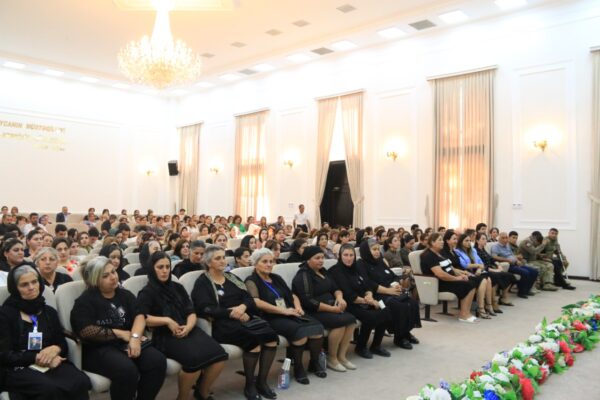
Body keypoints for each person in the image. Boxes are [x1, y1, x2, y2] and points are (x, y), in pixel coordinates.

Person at [70, 256, 167, 400]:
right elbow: (85, 331)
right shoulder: (85, 301)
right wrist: (120, 333)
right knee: (127, 370)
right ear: (95, 280)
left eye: (113, 272)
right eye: (105, 276)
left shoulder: (124, 294)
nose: (113, 277)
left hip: (126, 342)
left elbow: (140, 316)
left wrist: (135, 338)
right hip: (98, 348)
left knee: (157, 361)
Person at [193, 245, 279, 400]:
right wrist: (231, 313)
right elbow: (204, 308)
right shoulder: (202, 282)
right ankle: (250, 385)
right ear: (208, 263)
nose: (222, 261)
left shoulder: (232, 277)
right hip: (222, 323)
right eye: (217, 258)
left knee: (272, 337)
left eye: (223, 257)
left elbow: (248, 298)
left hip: (244, 316)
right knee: (253, 342)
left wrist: (242, 308)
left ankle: (262, 381)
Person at [138, 252, 227, 400]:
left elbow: (191, 312)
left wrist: (189, 327)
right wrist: (167, 321)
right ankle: (183, 397)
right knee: (194, 362)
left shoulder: (178, 287)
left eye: (167, 267)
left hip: (188, 329)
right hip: (165, 335)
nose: (165, 270)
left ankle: (202, 392)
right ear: (152, 269)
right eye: (160, 267)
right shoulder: (147, 292)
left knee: (220, 355)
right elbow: (142, 318)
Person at [0, 264, 91, 399]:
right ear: (15, 288)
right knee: (49, 389)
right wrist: (38, 358)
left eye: (34, 281)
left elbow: (61, 343)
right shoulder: (5, 315)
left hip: (50, 362)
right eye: (24, 285)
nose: (31, 287)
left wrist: (55, 349)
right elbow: (5, 355)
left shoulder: (49, 311)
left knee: (80, 380)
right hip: (18, 367)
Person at [245, 248, 326, 384]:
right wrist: (283, 311)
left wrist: (298, 307)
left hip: (289, 311)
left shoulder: (276, 278)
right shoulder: (251, 281)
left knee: (317, 328)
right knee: (300, 333)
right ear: (255, 263)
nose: (269, 264)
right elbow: (256, 302)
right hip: (270, 316)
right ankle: (298, 367)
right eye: (264, 261)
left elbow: (292, 295)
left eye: (271, 261)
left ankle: (314, 362)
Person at [292, 246, 357, 372]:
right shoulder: (303, 275)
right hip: (314, 311)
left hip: (331, 307)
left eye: (322, 257)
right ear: (308, 260)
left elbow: (335, 288)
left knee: (351, 320)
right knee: (340, 324)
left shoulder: (323, 271)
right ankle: (332, 358)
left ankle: (342, 356)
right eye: (317, 258)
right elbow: (308, 301)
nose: (321, 260)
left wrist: (340, 298)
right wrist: (332, 309)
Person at [329, 244, 393, 358]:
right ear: (340, 256)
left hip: (365, 300)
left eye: (351, 255)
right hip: (349, 304)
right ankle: (361, 347)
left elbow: (367, 284)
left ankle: (376, 346)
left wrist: (369, 294)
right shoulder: (336, 271)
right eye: (345, 255)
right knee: (370, 316)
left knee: (386, 309)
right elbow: (349, 295)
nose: (349, 258)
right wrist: (369, 301)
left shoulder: (356, 268)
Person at [358, 240, 421, 348]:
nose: (377, 252)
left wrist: (395, 285)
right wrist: (388, 291)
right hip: (376, 295)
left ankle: (406, 331)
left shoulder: (380, 261)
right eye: (374, 249)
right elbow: (368, 283)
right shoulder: (361, 264)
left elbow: (393, 276)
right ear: (366, 251)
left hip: (390, 292)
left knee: (412, 303)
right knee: (397, 306)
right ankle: (399, 336)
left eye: (378, 249)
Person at [419, 233, 477, 322]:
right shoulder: (428, 255)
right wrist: (457, 278)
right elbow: (440, 274)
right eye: (439, 240)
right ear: (432, 242)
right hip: (437, 283)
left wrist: (461, 275)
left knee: (472, 281)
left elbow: (450, 268)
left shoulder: (439, 254)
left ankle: (466, 312)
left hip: (447, 280)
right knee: (468, 285)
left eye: (442, 240)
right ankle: (463, 315)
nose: (442, 242)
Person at [453, 234, 495, 318]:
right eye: (466, 241)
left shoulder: (473, 250)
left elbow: (481, 263)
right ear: (461, 242)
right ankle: (481, 308)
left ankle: (488, 305)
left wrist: (479, 269)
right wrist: (478, 266)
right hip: (466, 272)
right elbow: (465, 265)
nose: (469, 242)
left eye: (469, 240)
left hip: (476, 272)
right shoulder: (457, 251)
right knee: (484, 280)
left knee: (488, 279)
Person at [474, 233, 516, 311]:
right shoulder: (475, 251)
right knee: (496, 277)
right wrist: (494, 270)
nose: (485, 241)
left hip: (491, 268)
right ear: (477, 241)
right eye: (483, 239)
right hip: (484, 270)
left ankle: (504, 298)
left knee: (510, 276)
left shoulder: (483, 250)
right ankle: (493, 302)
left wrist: (498, 264)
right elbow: (481, 265)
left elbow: (492, 259)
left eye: (485, 239)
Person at [490, 232, 539, 299]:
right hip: (508, 265)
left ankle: (527, 290)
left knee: (534, 272)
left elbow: (511, 255)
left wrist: (517, 260)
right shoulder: (495, 247)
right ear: (499, 239)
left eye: (506, 238)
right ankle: (521, 292)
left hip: (515, 263)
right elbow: (494, 257)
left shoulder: (507, 246)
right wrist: (507, 260)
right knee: (525, 272)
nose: (505, 239)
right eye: (503, 238)